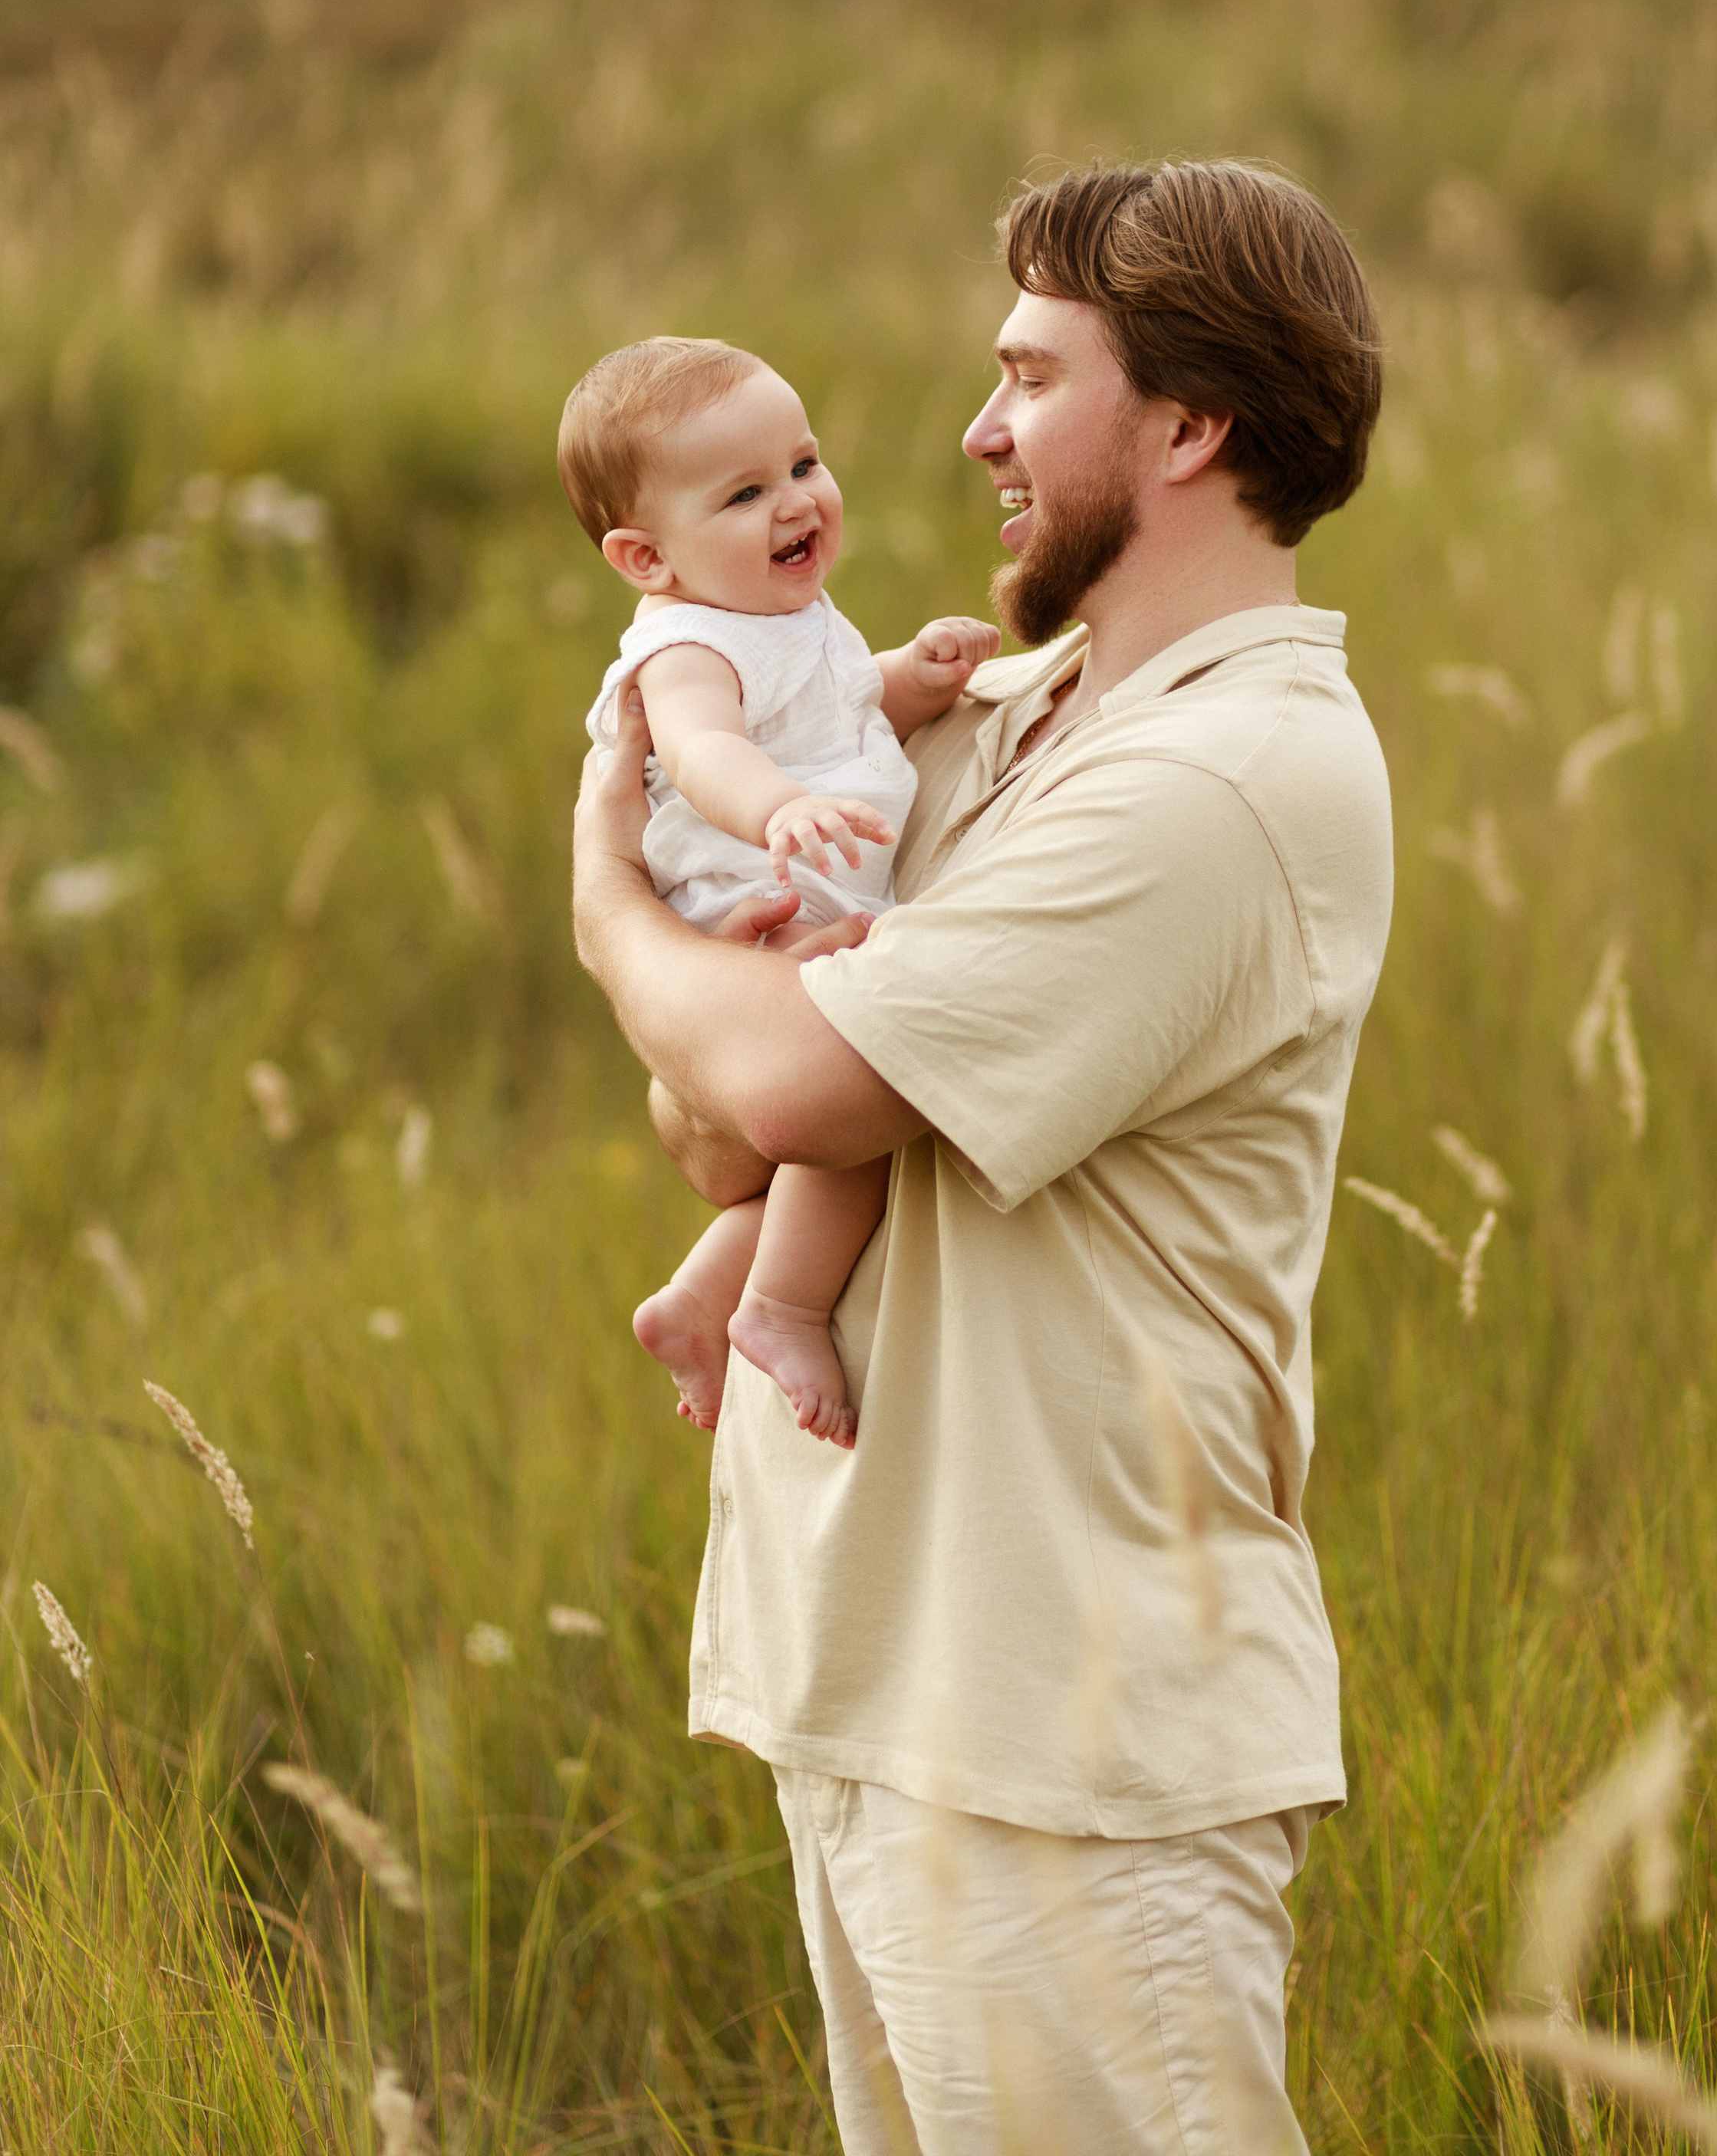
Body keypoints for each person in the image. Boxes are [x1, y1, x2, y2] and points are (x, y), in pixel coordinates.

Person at [572, 161, 1394, 2156]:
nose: (976, 432)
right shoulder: (998, 719)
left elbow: (781, 1086)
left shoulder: (1223, 778)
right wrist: (730, 1022)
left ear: (1187, 425)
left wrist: (605, 903)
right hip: (872, 1685)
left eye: (1031, 378)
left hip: (1070, 1757)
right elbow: (709, 1130)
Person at [559, 334, 998, 1443]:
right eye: (746, 492)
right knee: (851, 1113)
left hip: (797, 862)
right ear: (645, 559)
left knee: (837, 1111)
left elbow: (843, 724)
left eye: (804, 466)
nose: (797, 503)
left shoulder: (787, 617)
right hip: (757, 878)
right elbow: (709, 756)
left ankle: (699, 1302)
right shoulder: (688, 647)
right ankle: (786, 1309)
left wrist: (911, 677)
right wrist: (775, 814)